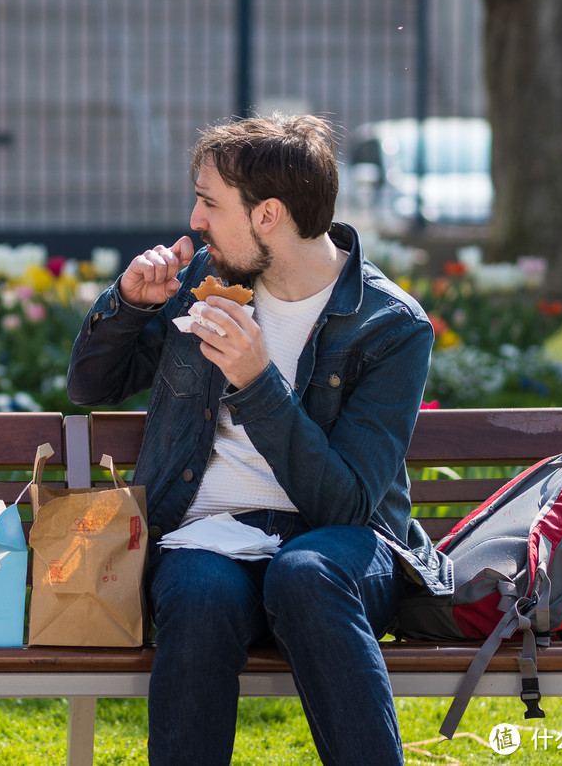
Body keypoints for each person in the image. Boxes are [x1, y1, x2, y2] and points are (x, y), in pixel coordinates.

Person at [66, 114, 452, 765]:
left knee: (304, 574)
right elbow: (91, 386)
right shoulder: (205, 283)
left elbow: (347, 506)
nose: (195, 220)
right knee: (195, 592)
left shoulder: (390, 327)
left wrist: (255, 381)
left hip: (339, 555)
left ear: (267, 214)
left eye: (210, 202)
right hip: (206, 538)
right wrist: (131, 303)